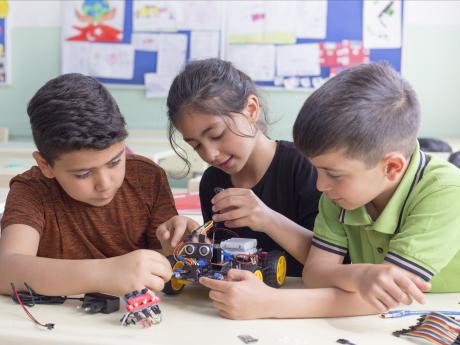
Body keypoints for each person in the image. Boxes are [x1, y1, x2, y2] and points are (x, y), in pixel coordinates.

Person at [185, 62, 460, 320]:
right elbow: (315, 272)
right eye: (317, 169)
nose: (320, 185)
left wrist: (269, 304)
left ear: (391, 167)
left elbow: (387, 298)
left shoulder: (446, 191)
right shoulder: (338, 192)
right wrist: (361, 276)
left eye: (334, 174)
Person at [0, 74, 176, 296]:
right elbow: (6, 271)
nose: (104, 184)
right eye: (83, 173)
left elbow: (166, 263)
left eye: (114, 162)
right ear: (46, 165)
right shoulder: (32, 190)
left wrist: (176, 247)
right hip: (60, 324)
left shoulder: (147, 177)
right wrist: (105, 273)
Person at [156, 58, 321, 278]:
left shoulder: (305, 167)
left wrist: (267, 219)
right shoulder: (213, 181)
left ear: (251, 110)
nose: (209, 154)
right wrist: (193, 244)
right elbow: (222, 264)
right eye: (195, 145)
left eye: (217, 135)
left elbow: (333, 261)